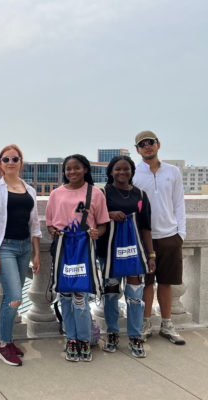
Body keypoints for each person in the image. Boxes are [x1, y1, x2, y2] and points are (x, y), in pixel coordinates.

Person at [0, 145, 42, 366]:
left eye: (14, 158)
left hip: (25, 247)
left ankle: (4, 339)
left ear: (20, 162)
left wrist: (36, 253)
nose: (10, 161)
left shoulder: (30, 190)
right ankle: (4, 346)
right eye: (5, 159)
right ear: (0, 164)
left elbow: (34, 224)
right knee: (15, 295)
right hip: (4, 247)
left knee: (11, 296)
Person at [46, 154, 109, 362]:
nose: (72, 172)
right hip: (63, 249)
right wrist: (53, 231)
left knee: (80, 297)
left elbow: (102, 223)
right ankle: (71, 339)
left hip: (84, 249)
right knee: (64, 295)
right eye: (68, 169)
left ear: (85, 169)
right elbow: (50, 222)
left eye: (76, 168)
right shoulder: (56, 194)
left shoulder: (96, 193)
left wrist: (96, 233)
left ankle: (83, 339)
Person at [96, 156, 156, 358]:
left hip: (134, 253)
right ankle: (112, 333)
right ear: (111, 172)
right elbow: (93, 219)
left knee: (135, 296)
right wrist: (109, 214)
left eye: (126, 169)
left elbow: (146, 226)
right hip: (108, 253)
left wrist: (151, 254)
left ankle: (135, 337)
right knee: (111, 294)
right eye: (118, 169)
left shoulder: (140, 195)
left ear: (132, 171)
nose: (122, 173)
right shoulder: (102, 194)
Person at [132, 131, 186, 345]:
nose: (147, 146)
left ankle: (167, 325)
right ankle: (145, 324)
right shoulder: (134, 173)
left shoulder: (172, 172)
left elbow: (179, 204)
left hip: (170, 236)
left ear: (158, 145)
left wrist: (180, 234)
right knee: (146, 283)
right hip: (144, 237)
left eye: (151, 143)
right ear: (137, 149)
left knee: (166, 282)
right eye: (142, 144)